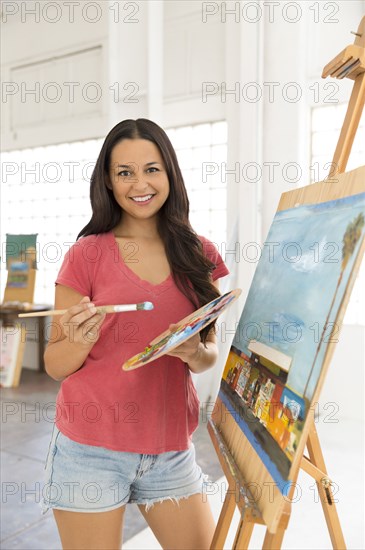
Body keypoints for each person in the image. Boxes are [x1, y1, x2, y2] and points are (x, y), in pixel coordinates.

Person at [43, 118, 229, 550]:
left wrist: (190, 351)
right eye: (124, 172)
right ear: (108, 182)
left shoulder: (201, 254)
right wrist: (81, 339)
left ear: (170, 173)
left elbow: (210, 354)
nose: (139, 183)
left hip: (170, 449)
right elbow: (55, 366)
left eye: (151, 168)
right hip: (89, 450)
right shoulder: (85, 254)